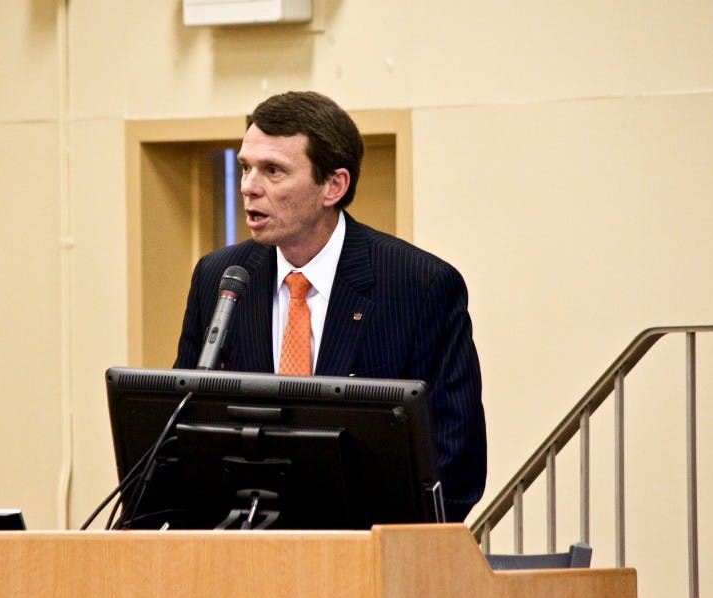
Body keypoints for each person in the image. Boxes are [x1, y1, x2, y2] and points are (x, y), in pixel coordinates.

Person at [173, 91, 486, 522]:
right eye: (246, 167)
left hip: (367, 556)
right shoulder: (220, 277)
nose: (248, 185)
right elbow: (179, 432)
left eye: (273, 171)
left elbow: (456, 463)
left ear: (333, 186)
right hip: (242, 554)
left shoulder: (420, 285)